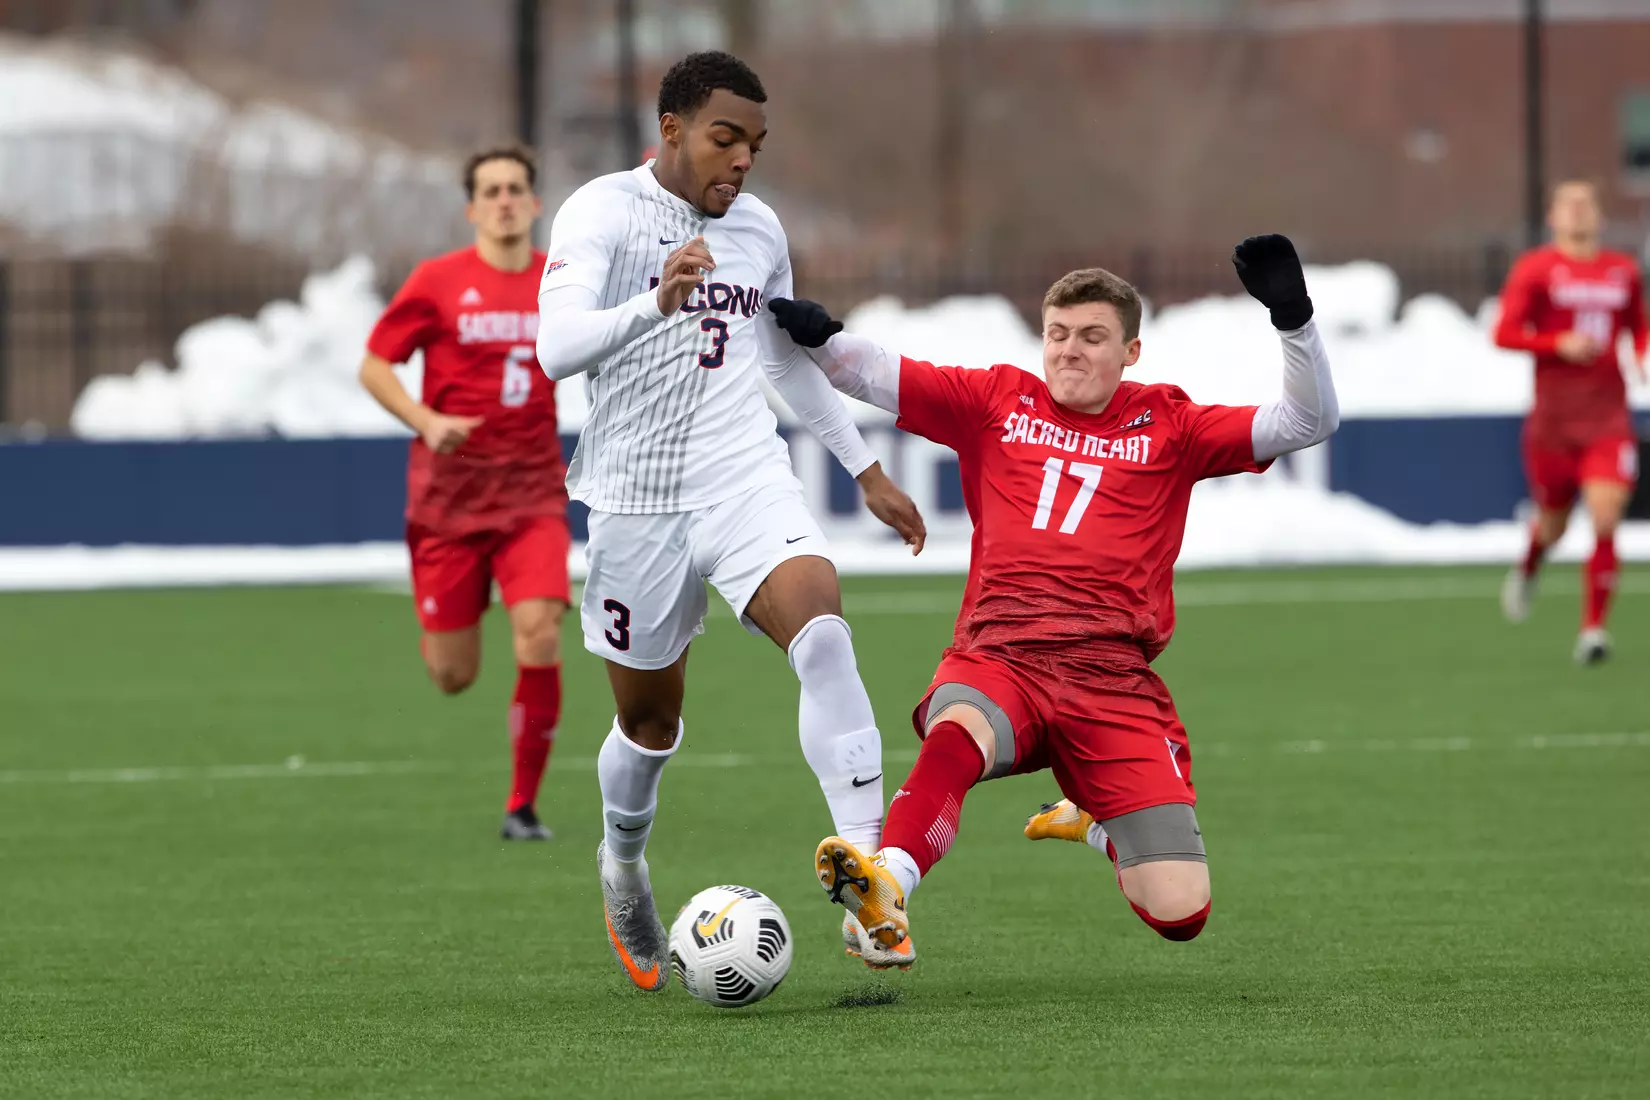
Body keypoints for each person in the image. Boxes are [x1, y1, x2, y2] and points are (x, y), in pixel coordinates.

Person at [769, 236, 1338, 961]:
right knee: (958, 731)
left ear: (1131, 352)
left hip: (1113, 682)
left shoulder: (1172, 423)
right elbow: (875, 375)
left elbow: (1308, 423)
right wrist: (821, 333)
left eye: (1093, 337)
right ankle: (890, 885)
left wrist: (1294, 319)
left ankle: (1091, 821)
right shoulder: (996, 401)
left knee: (1180, 911)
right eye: (1058, 334)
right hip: (1001, 654)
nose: (1070, 350)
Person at [534, 51, 927, 989]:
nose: (742, 160)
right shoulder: (600, 212)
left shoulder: (757, 230)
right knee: (649, 725)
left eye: (754, 143)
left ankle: (875, 887)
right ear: (670, 128)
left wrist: (864, 466)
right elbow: (555, 349)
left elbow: (784, 361)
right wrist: (653, 301)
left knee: (823, 630)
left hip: (743, 473)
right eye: (724, 137)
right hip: (634, 502)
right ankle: (623, 864)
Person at [360, 145, 569, 841]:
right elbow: (374, 365)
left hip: (533, 497)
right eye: (492, 190)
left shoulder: (562, 284)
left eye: (516, 188)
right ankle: (453, 613)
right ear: (472, 208)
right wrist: (424, 420)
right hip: (448, 506)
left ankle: (522, 806)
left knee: (540, 633)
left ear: (536, 204)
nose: (505, 200)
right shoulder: (438, 282)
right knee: (452, 674)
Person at [1494, 179, 1647, 664]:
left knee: (1605, 517)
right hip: (1554, 425)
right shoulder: (1535, 269)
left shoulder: (1622, 270)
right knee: (1555, 524)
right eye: (1569, 203)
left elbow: (1638, 324)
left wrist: (1643, 353)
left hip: (1607, 418)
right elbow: (1504, 333)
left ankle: (1593, 630)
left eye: (1587, 203)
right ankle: (1531, 562)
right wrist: (1554, 343)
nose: (1579, 211)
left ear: (1600, 216)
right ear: (1553, 216)